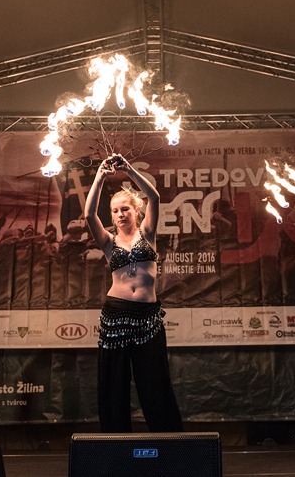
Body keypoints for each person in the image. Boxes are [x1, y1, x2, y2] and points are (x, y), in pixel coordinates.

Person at [84, 153, 183, 433]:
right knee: (113, 383)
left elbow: (155, 197)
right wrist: (100, 176)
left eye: (125, 208)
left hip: (147, 316)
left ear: (135, 210)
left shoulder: (147, 233)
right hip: (115, 315)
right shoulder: (108, 242)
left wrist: (128, 169)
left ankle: (169, 442)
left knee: (155, 380)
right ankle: (115, 445)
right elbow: (89, 214)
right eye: (115, 211)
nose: (120, 214)